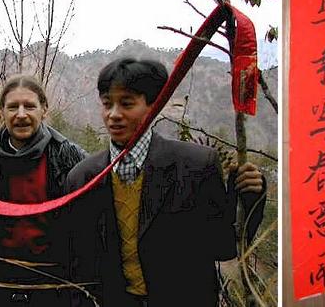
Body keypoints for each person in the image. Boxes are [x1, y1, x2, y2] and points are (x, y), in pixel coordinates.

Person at [64, 57, 266, 306]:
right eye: (107, 104)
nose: (114, 115)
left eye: (126, 104)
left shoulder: (195, 165)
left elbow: (223, 246)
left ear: (152, 106)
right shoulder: (83, 178)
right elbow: (79, 264)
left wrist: (246, 196)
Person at [0, 75, 86, 307]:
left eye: (29, 106)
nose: (21, 114)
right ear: (2, 112)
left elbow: (89, 228)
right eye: (13, 107)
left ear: (44, 110)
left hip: (54, 288)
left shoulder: (69, 159)